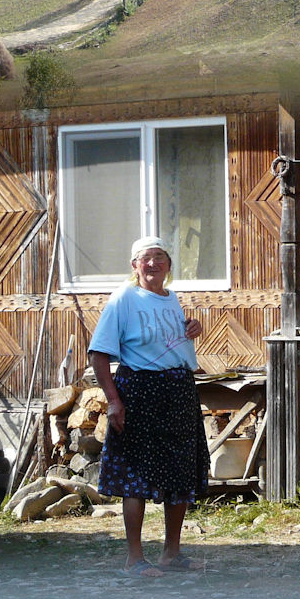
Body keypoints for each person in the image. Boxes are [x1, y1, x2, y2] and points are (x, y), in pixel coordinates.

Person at [89, 235, 210, 563]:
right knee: (136, 477)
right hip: (141, 392)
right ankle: (135, 559)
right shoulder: (124, 298)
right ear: (134, 265)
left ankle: (172, 553)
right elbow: (99, 355)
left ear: (169, 265)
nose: (153, 263)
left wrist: (190, 326)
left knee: (180, 472)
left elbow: (166, 339)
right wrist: (114, 401)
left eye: (160, 257)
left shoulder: (171, 299)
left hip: (179, 390)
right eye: (146, 258)